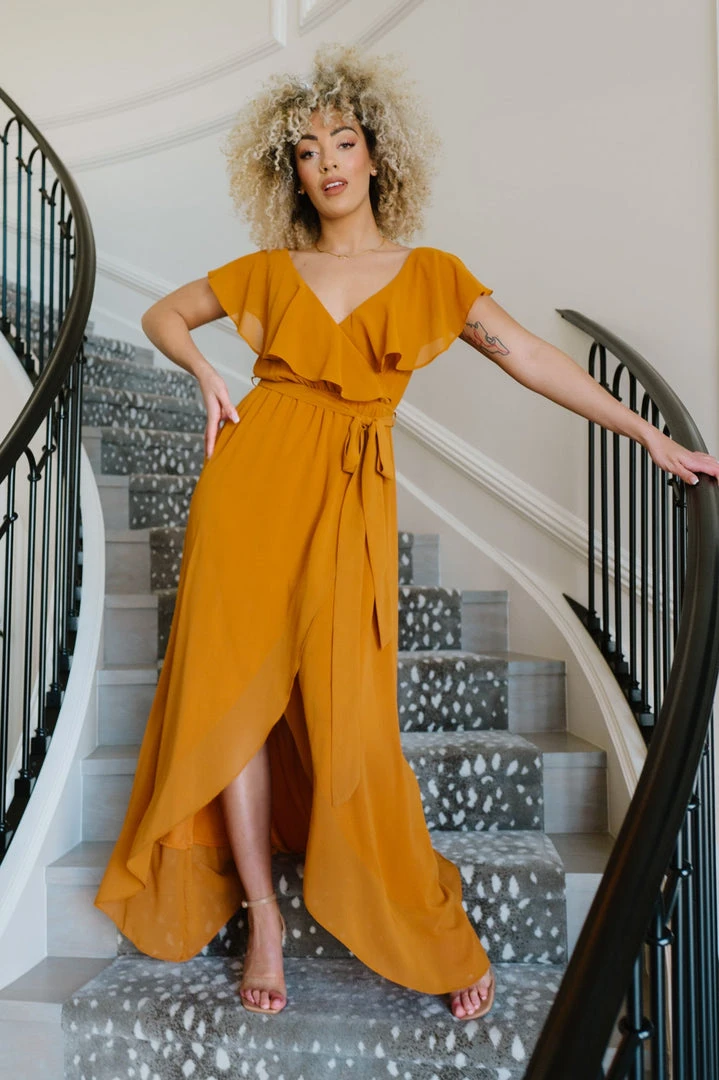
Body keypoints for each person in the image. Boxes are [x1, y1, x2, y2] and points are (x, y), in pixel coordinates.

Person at [94, 43, 719, 1027]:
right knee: (229, 706)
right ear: (291, 171)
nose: (327, 163)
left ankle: (406, 917)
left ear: (376, 154)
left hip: (349, 499)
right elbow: (166, 315)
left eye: (342, 142)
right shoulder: (269, 270)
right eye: (306, 151)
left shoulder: (429, 274)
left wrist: (643, 432)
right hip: (249, 490)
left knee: (350, 715)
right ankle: (263, 915)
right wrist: (206, 373)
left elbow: (528, 357)